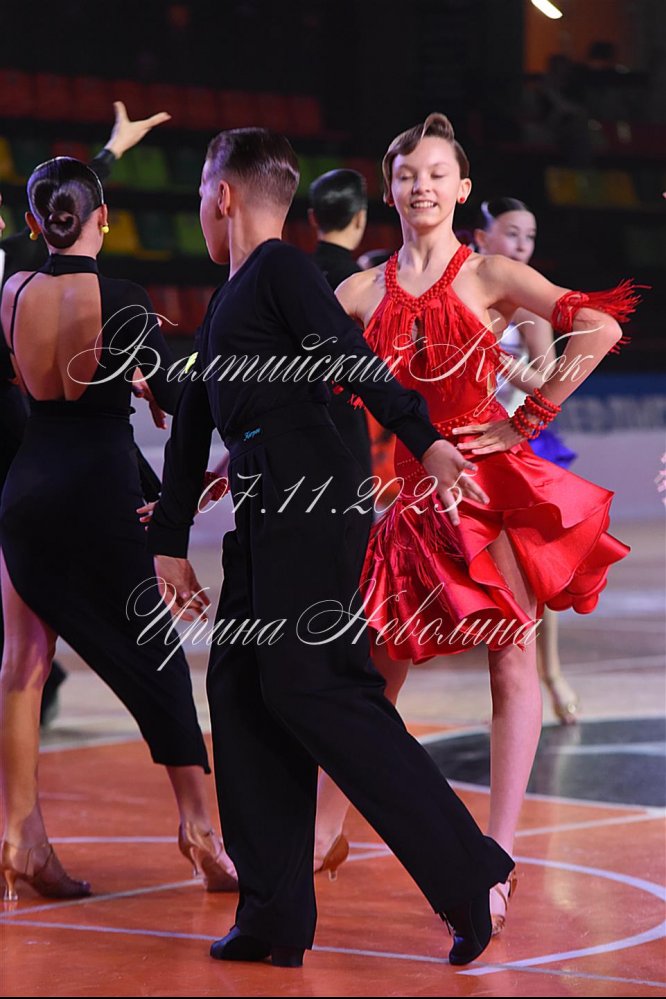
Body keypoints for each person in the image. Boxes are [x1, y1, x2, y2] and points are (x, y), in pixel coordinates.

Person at [146, 127, 515, 969]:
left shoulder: (281, 270)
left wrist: (424, 439)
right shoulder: (230, 297)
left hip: (310, 498)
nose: (200, 208)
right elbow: (197, 418)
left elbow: (353, 357)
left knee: (314, 686)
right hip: (264, 504)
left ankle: (471, 872)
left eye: (201, 194)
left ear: (223, 196)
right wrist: (167, 537)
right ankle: (274, 913)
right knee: (242, 691)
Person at [315, 112, 633, 936]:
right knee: (373, 677)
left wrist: (528, 418)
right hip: (406, 500)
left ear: (461, 188)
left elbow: (601, 326)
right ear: (389, 190)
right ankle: (320, 833)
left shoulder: (490, 272)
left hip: (486, 491)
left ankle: (497, 854)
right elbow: (297, 389)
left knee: (511, 661)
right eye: (406, 174)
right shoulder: (356, 292)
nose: (419, 185)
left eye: (435, 173)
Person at [0, 158, 236, 902]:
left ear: (35, 224)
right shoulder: (126, 297)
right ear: (105, 218)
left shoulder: (11, 290)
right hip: (102, 491)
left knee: (22, 664)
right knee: (157, 659)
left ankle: (19, 838)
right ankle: (199, 829)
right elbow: (176, 393)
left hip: (28, 487)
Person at [0, 101, 173, 727]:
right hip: (44, 451)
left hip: (32, 448)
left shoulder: (17, 266)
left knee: (28, 639)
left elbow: (63, 206)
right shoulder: (22, 272)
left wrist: (111, 152)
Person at [474, 196, 580, 725]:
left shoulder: (532, 301)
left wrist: (500, 363)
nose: (521, 245)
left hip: (516, 442)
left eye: (529, 236)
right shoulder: (464, 289)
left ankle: (550, 672)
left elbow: (550, 381)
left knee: (534, 567)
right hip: (457, 444)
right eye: (512, 233)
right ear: (481, 238)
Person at [308, 168, 372, 485]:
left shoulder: (292, 273)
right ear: (360, 218)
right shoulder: (362, 282)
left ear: (313, 218)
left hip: (296, 417)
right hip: (345, 420)